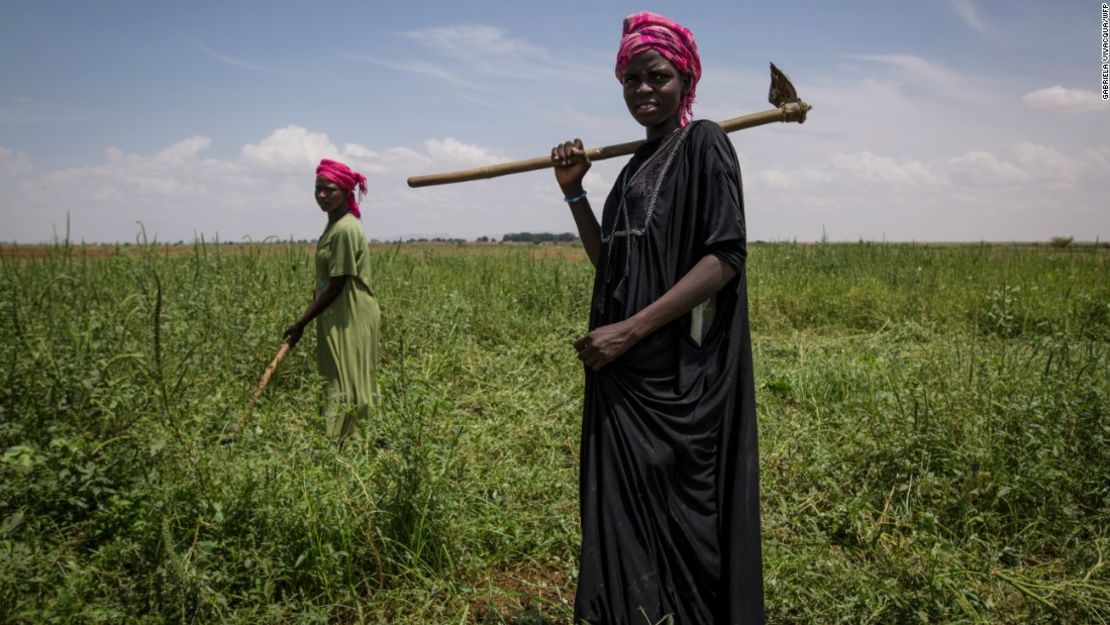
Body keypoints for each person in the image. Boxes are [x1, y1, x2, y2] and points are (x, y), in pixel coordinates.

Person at [550, 11, 764, 624]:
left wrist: (630, 329)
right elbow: (611, 264)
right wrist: (573, 192)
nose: (643, 89)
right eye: (631, 80)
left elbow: (724, 257)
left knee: (685, 517)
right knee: (630, 518)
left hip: (678, 377)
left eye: (657, 76)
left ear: (685, 79)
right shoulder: (628, 172)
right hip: (626, 373)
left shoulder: (706, 144)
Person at [284, 159, 380, 441]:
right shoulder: (334, 226)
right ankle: (349, 438)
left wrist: (301, 321)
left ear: (346, 192)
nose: (322, 195)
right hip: (336, 313)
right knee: (339, 375)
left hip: (351, 313)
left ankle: (345, 441)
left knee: (346, 377)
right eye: (318, 189)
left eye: (329, 189)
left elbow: (337, 284)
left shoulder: (346, 229)